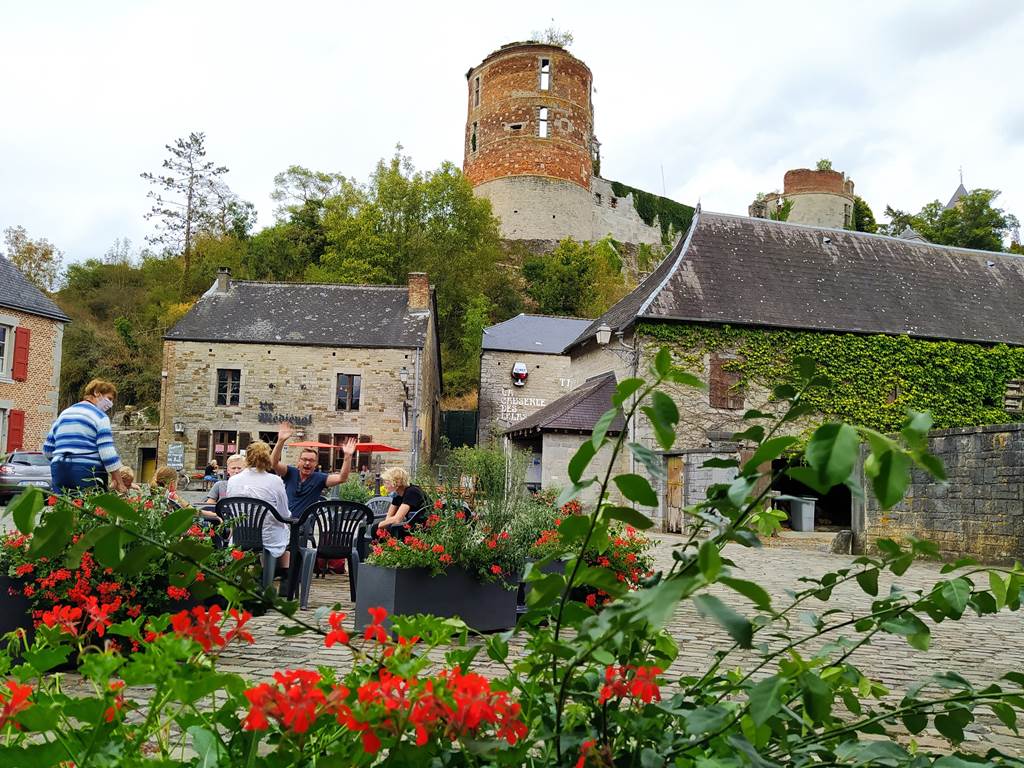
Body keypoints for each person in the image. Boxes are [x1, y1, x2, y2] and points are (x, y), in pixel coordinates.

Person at [44, 378, 129, 494]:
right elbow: (107, 452)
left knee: (62, 507)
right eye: (109, 399)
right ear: (96, 393)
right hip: (87, 471)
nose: (110, 404)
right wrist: (119, 482)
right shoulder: (100, 417)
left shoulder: (64, 414)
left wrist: (62, 460)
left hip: (59, 469)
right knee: (90, 508)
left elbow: (47, 449)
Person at [270, 422, 357, 519]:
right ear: (298, 462)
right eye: (304, 460)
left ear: (315, 464)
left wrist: (348, 457)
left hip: (305, 526)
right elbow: (274, 463)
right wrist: (280, 441)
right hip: (284, 522)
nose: (307, 463)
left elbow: (342, 478)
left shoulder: (319, 478)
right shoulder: (290, 472)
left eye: (311, 461)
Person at [226, 441, 292, 567]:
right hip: (268, 538)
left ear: (247, 458)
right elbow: (284, 514)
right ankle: (282, 575)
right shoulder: (275, 481)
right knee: (286, 533)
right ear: (268, 458)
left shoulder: (233, 480)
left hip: (241, 536)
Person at [371, 467, 427, 539]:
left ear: (396, 482)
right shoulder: (398, 494)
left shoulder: (412, 491)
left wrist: (379, 525)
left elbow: (397, 519)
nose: (384, 485)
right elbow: (389, 517)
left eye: (386, 482)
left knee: (376, 528)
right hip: (411, 524)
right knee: (380, 529)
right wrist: (383, 526)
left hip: (421, 527)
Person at [153, 466, 221, 524]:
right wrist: (215, 515)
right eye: (177, 482)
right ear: (172, 483)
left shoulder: (155, 496)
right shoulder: (172, 496)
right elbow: (193, 512)